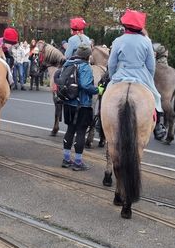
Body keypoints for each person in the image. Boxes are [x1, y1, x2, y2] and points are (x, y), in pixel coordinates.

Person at [107, 9, 166, 140]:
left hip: (121, 73)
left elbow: (111, 63)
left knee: (106, 94)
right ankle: (158, 126)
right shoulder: (146, 41)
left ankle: (100, 121)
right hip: (141, 74)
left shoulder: (118, 40)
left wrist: (113, 77)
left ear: (125, 25)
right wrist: (149, 78)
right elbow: (151, 65)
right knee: (156, 96)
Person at [60, 43, 98, 171]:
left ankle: (66, 159)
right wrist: (98, 90)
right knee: (81, 132)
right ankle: (78, 162)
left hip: (69, 102)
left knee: (70, 130)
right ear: (88, 56)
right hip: (82, 105)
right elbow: (86, 85)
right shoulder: (85, 67)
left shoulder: (69, 63)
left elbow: (57, 77)